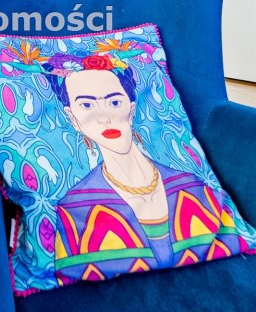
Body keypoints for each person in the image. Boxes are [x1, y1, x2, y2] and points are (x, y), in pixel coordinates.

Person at [42, 50, 253, 285]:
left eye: (114, 102)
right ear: (73, 118)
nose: (104, 117)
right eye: (87, 105)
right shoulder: (73, 207)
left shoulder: (193, 187)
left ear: (131, 109)